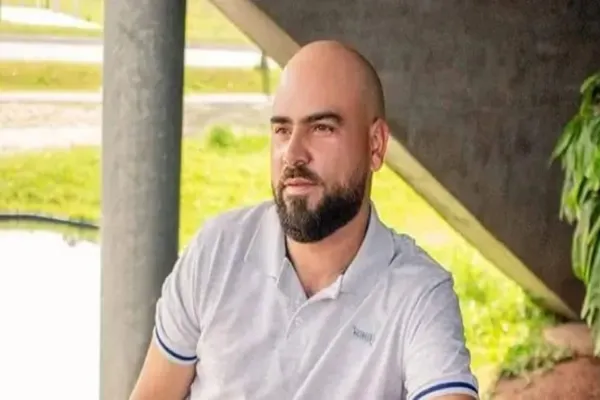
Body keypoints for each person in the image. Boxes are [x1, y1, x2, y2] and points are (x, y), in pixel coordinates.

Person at [130, 40, 479, 400]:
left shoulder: (419, 294)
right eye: (282, 130)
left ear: (375, 145)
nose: (293, 154)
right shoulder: (216, 251)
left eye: (322, 128)